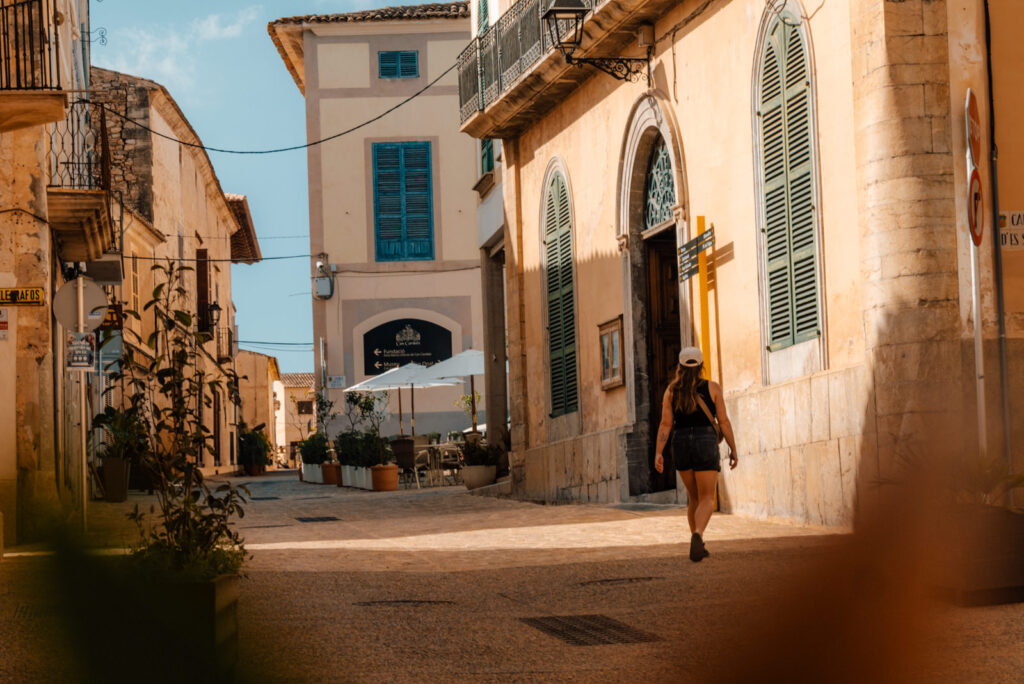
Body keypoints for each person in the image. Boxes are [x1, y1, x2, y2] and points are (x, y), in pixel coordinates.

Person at [654, 346, 738, 562]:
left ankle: (698, 542)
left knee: (694, 498)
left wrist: (659, 453)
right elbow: (724, 421)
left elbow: (665, 424)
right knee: (708, 498)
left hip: (680, 442)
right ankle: (698, 535)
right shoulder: (713, 388)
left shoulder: (671, 392)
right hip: (704, 441)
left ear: (680, 367)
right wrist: (733, 448)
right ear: (701, 365)